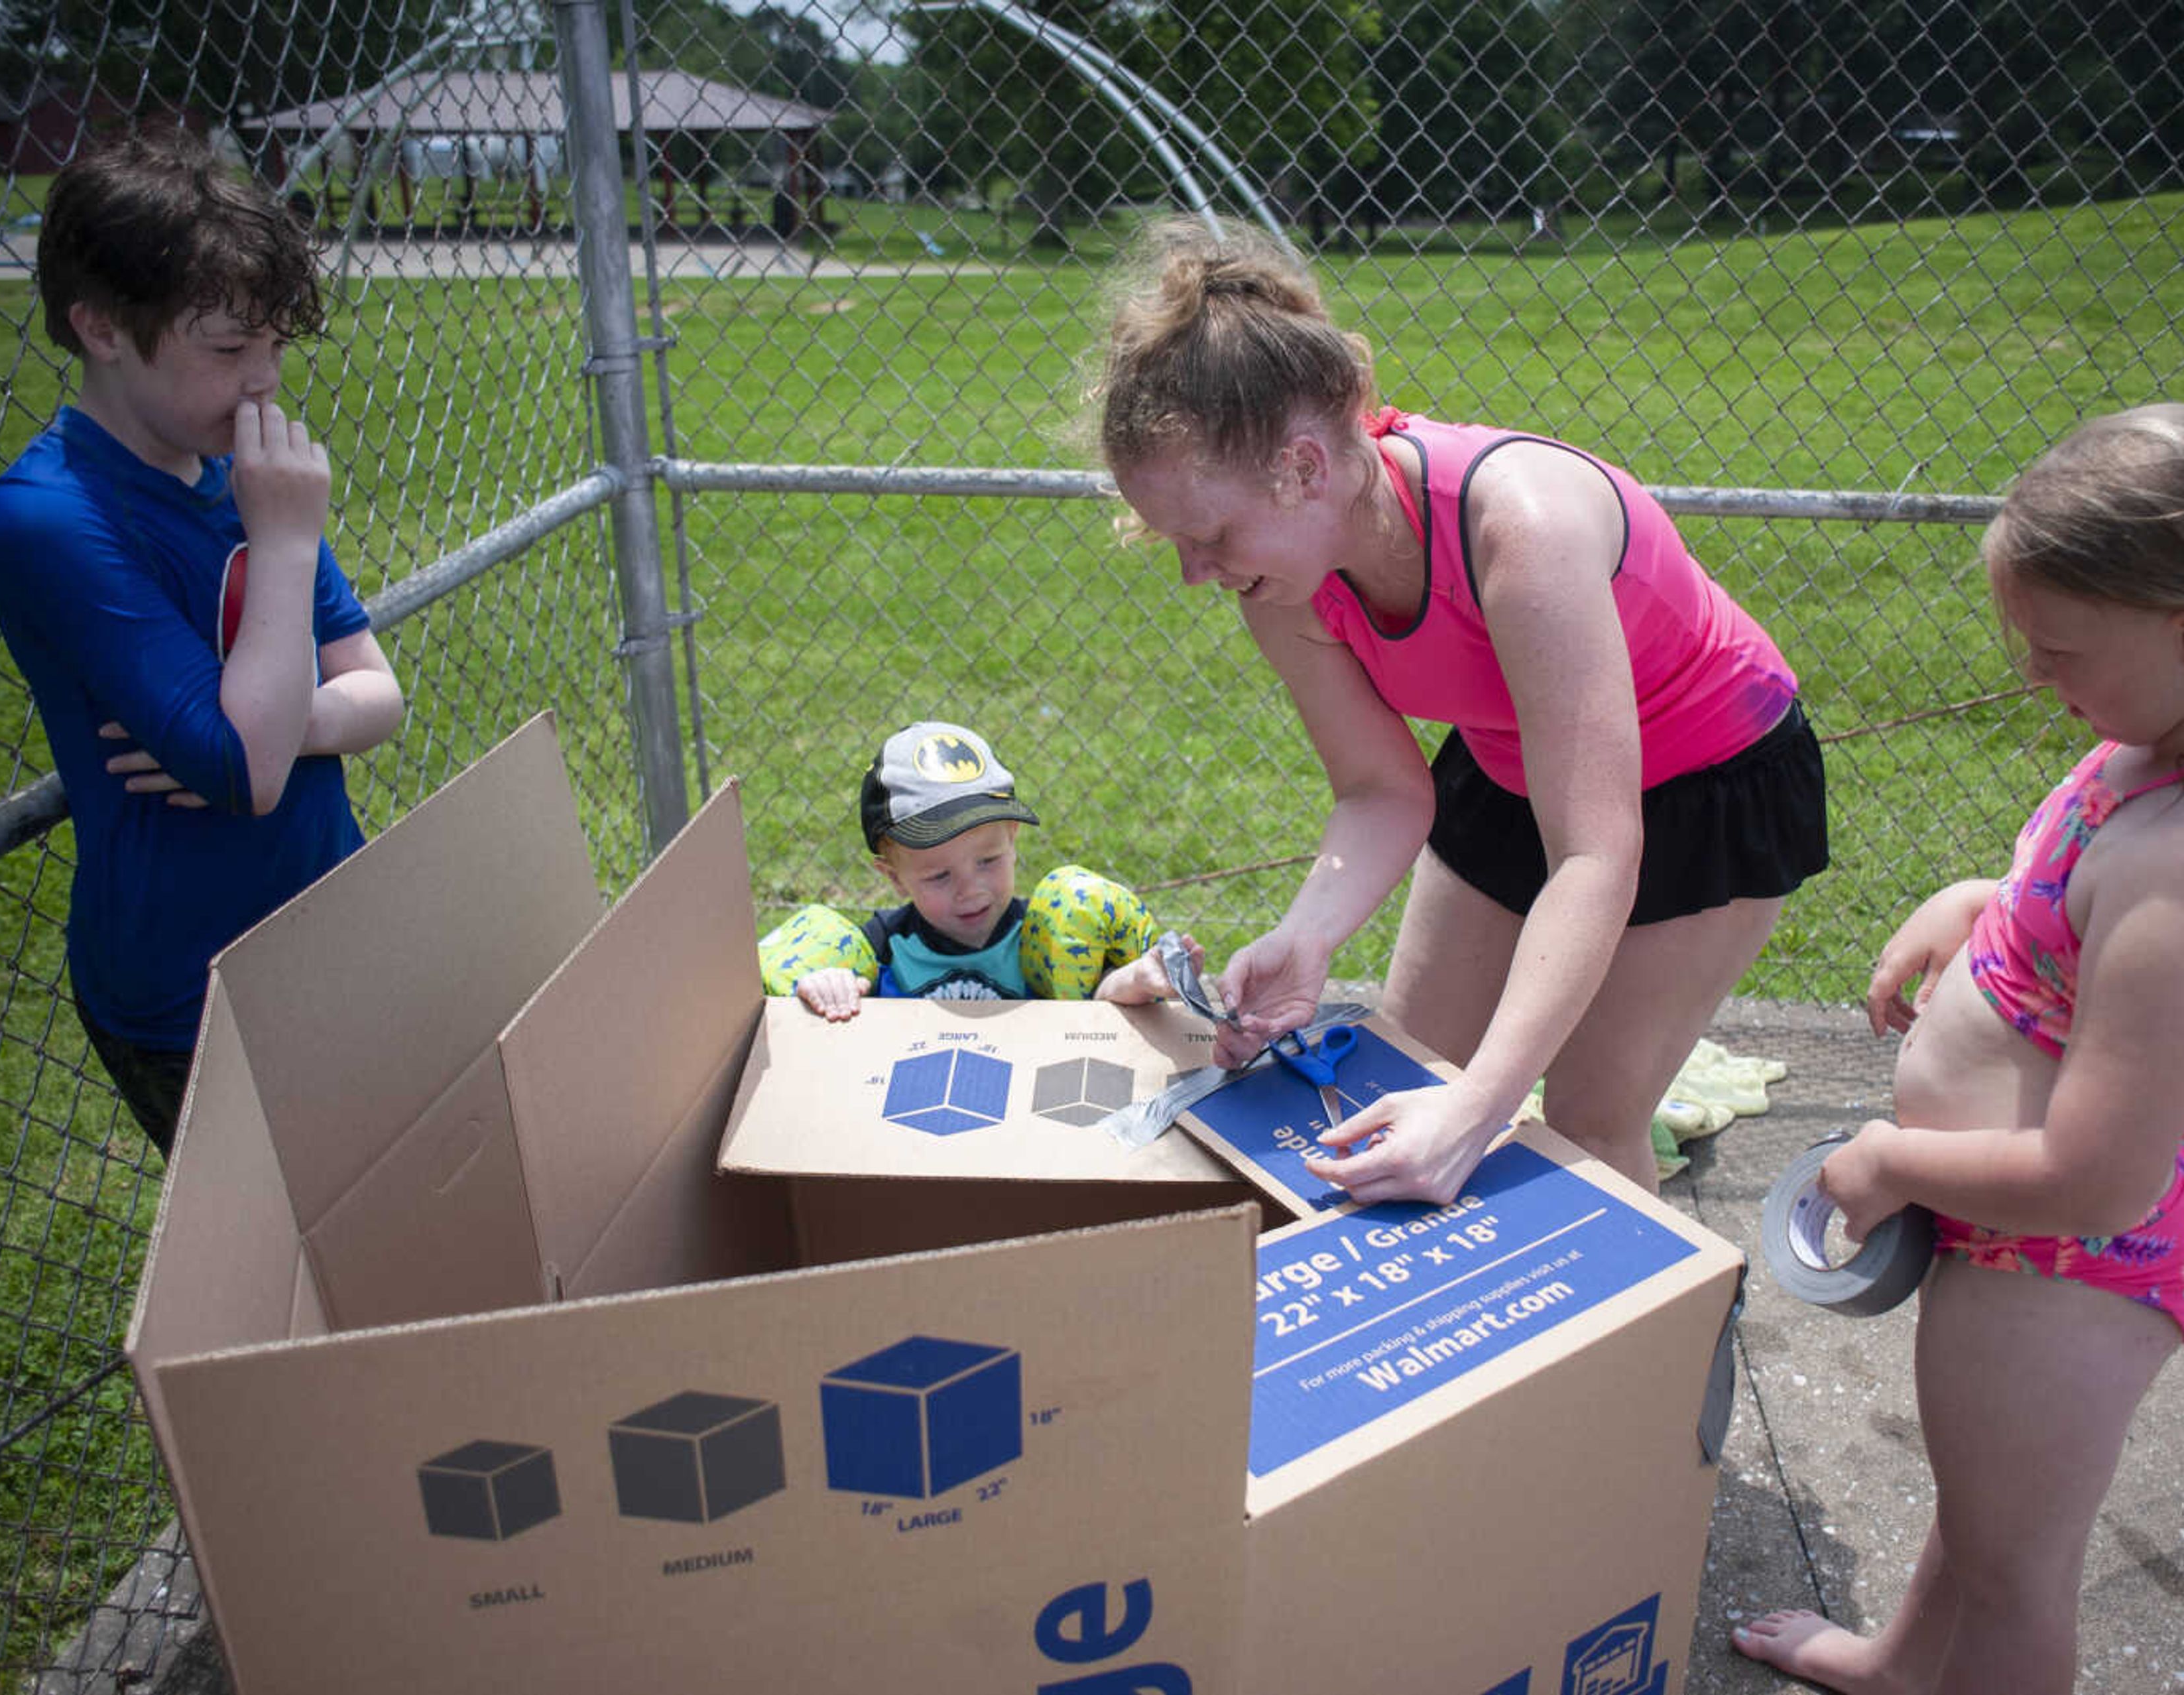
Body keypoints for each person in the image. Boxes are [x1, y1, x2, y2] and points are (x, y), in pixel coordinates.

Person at [1731, 403, 2184, 1694]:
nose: (2034, 678)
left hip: (2064, 1258)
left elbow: (2095, 1174)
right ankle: (1906, 1665)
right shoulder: (2172, 743)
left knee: (2016, 1575)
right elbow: (2079, 909)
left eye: (2058, 649)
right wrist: (1976, 909)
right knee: (1982, 1501)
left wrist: (1894, 1157)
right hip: (2023, 1243)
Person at [1091, 217, 1827, 1202]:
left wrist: (1484, 1107)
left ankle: (1660, 1342)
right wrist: (1310, 934)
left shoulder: (1521, 529)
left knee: (1587, 1117)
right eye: (1173, 542)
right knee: (1409, 1068)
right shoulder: (1281, 576)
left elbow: (1595, 855)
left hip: (1709, 783)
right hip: (1512, 761)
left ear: (1307, 467)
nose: (1193, 572)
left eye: (1210, 534)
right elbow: (1378, 789)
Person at [0, 129, 404, 1159]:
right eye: (226, 349)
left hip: (324, 933)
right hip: (189, 992)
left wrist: (268, 722)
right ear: (99, 328)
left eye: (272, 347)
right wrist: (288, 542)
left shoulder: (234, 476)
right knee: (280, 1279)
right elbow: (243, 775)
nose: (263, 383)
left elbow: (375, 696)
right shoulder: (50, 517)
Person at [758, 720, 1187, 1019]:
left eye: (988, 861)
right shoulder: (884, 948)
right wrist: (825, 985)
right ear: (893, 877)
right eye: (938, 876)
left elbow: (1097, 1003)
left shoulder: (1049, 939)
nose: (971, 889)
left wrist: (1135, 980)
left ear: (1013, 841)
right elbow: (809, 1002)